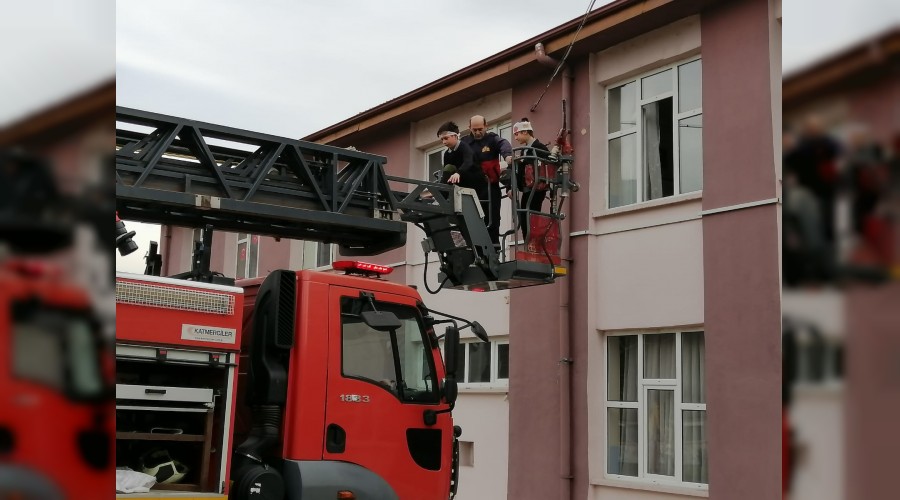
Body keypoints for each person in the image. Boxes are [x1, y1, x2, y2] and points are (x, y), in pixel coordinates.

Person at [462, 115, 513, 245]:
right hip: (471, 190)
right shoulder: (464, 142)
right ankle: (475, 251)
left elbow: (503, 144)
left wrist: (507, 156)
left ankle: (494, 249)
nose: (478, 132)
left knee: (493, 220)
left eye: (480, 129)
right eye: (474, 130)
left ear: (486, 126)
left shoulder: (492, 139)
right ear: (469, 128)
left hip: (490, 188)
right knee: (472, 221)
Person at [511, 118, 550, 239]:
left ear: (525, 132)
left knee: (532, 216)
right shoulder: (525, 150)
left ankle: (533, 242)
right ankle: (529, 242)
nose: (516, 138)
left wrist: (524, 160)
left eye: (517, 134)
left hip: (537, 189)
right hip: (528, 189)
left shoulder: (539, 147)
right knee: (524, 217)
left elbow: (548, 161)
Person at [436, 121, 487, 202]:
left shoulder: (464, 147)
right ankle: (441, 197)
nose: (444, 142)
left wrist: (458, 173)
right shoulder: (447, 154)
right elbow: (446, 172)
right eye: (442, 139)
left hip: (476, 182)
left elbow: (468, 162)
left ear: (455, 136)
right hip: (461, 183)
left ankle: (441, 197)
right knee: (448, 168)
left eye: (446, 138)